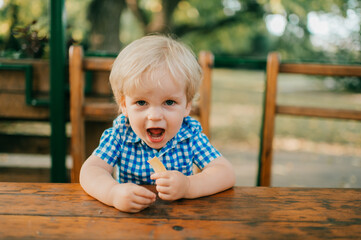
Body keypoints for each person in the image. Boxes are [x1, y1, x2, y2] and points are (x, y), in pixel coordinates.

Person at [80, 35, 235, 213]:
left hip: (182, 221)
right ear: (124, 105)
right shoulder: (121, 135)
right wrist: (113, 192)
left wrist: (188, 186)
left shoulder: (189, 136)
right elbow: (90, 171)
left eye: (169, 102)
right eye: (141, 102)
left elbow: (225, 172)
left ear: (187, 106)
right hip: (130, 221)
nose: (154, 116)